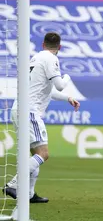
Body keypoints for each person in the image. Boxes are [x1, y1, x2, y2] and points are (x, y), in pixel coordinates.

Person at [3, 32, 80, 203]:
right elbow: (60, 85)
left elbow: (48, 89)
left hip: (19, 109)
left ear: (43, 44)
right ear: (59, 47)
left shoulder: (36, 58)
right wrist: (67, 77)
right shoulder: (50, 58)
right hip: (30, 111)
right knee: (43, 154)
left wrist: (68, 98)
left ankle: (29, 194)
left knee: (34, 154)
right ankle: (14, 184)